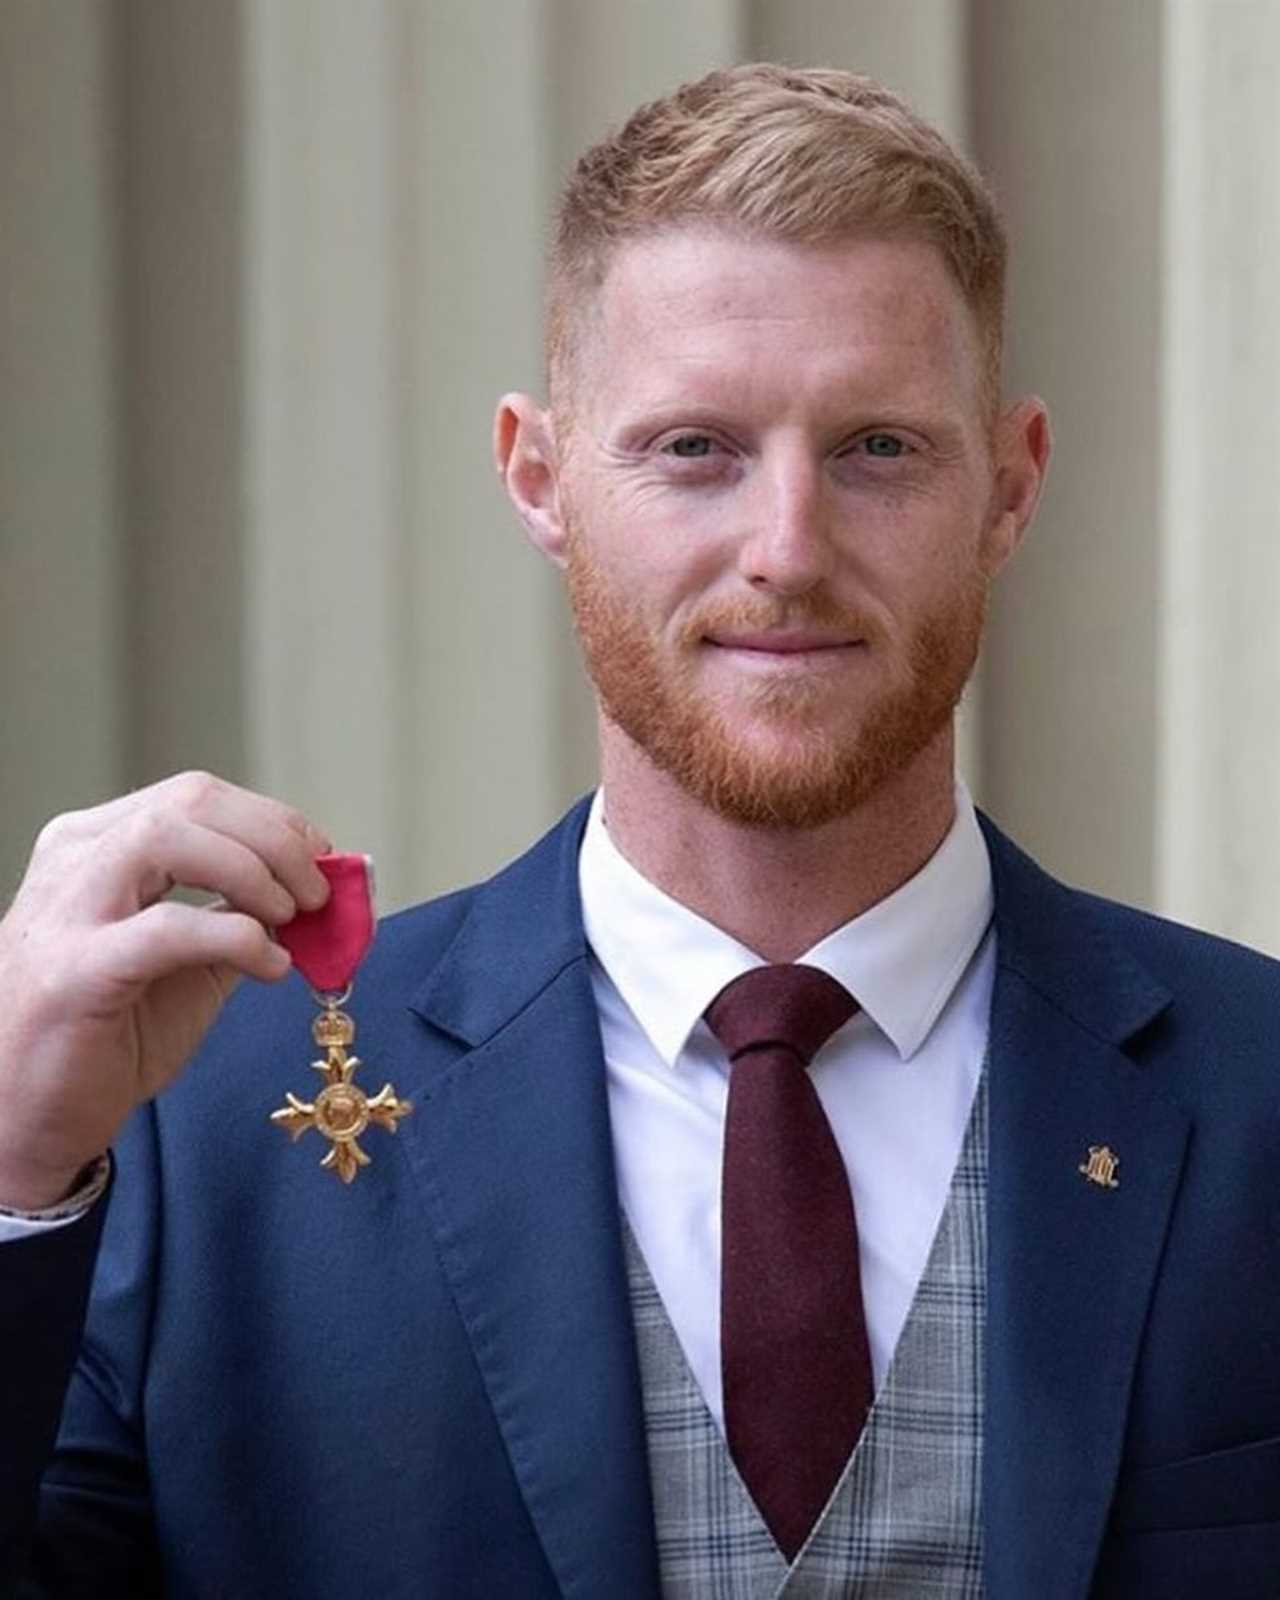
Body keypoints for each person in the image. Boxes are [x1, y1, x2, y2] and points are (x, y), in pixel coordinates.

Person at [1, 62, 1276, 1600]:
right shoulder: (197, 1125)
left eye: (878, 448)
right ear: (541, 480)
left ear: (1009, 489)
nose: (786, 552)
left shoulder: (1255, 1091)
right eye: (695, 450)